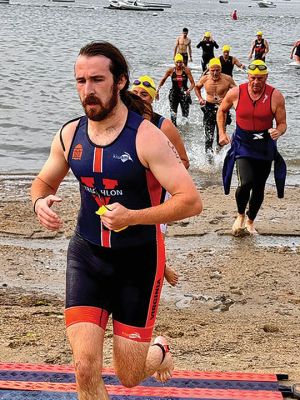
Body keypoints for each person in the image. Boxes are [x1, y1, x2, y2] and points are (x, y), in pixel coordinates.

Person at [31, 41, 202, 399]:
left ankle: (160, 351)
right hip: (86, 256)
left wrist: (133, 216)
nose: (87, 91)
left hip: (138, 262)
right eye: (80, 81)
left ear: (119, 81)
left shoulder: (147, 137)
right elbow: (44, 181)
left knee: (128, 376)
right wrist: (39, 202)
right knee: (84, 367)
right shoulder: (69, 135)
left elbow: (191, 202)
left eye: (96, 79)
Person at [131, 74, 191, 286]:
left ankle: (159, 267)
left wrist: (161, 173)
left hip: (157, 190)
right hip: (129, 187)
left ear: (153, 98)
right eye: (135, 93)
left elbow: (184, 161)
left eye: (144, 94)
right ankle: (156, 266)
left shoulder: (162, 126)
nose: (138, 97)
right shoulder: (121, 121)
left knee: (156, 235)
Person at [217, 60, 287, 236]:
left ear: (266, 78)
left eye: (260, 79)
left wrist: (278, 131)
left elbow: (282, 123)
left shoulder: (275, 96)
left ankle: (250, 221)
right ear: (248, 76)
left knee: (259, 187)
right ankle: (240, 215)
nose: (256, 82)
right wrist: (222, 133)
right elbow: (222, 110)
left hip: (264, 146)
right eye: (253, 78)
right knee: (245, 182)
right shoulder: (236, 93)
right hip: (243, 144)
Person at [194, 57, 236, 158]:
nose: (215, 73)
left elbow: (237, 92)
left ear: (221, 70)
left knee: (221, 138)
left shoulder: (227, 79)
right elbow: (196, 87)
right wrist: (200, 98)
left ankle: (217, 153)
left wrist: (227, 99)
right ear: (209, 70)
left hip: (223, 109)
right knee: (209, 138)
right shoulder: (205, 78)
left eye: (217, 70)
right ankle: (209, 161)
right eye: (213, 70)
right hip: (209, 108)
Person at [157, 53, 195, 126]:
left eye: (180, 62)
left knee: (185, 115)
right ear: (174, 62)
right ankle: (174, 129)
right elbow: (163, 80)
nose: (178, 64)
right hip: (174, 94)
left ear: (182, 62)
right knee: (173, 114)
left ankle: (185, 132)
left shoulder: (186, 70)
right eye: (177, 62)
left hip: (184, 94)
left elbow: (193, 83)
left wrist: (189, 90)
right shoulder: (170, 71)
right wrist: (157, 91)